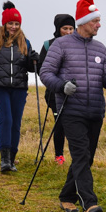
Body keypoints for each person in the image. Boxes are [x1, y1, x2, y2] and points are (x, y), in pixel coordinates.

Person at [39, 0, 106, 212]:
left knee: (86, 157)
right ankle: (90, 203)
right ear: (84, 21)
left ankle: (66, 195)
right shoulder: (61, 45)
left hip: (95, 111)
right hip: (70, 110)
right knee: (82, 155)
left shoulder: (101, 49)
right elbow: (46, 73)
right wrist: (61, 86)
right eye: (96, 21)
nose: (99, 24)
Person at [0, 1, 38, 173]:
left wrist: (35, 60)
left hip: (19, 87)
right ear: (4, 23)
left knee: (16, 123)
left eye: (17, 24)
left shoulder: (25, 42)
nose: (13, 26)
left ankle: (11, 158)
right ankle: (4, 159)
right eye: (11, 23)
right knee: (7, 119)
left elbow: (31, 68)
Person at [37, 13, 76, 165]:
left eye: (71, 28)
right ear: (58, 29)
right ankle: (59, 155)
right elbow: (42, 68)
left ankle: (76, 155)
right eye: (65, 28)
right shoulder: (48, 45)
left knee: (73, 124)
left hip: (74, 92)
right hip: (54, 93)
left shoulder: (78, 43)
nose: (68, 32)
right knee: (59, 123)